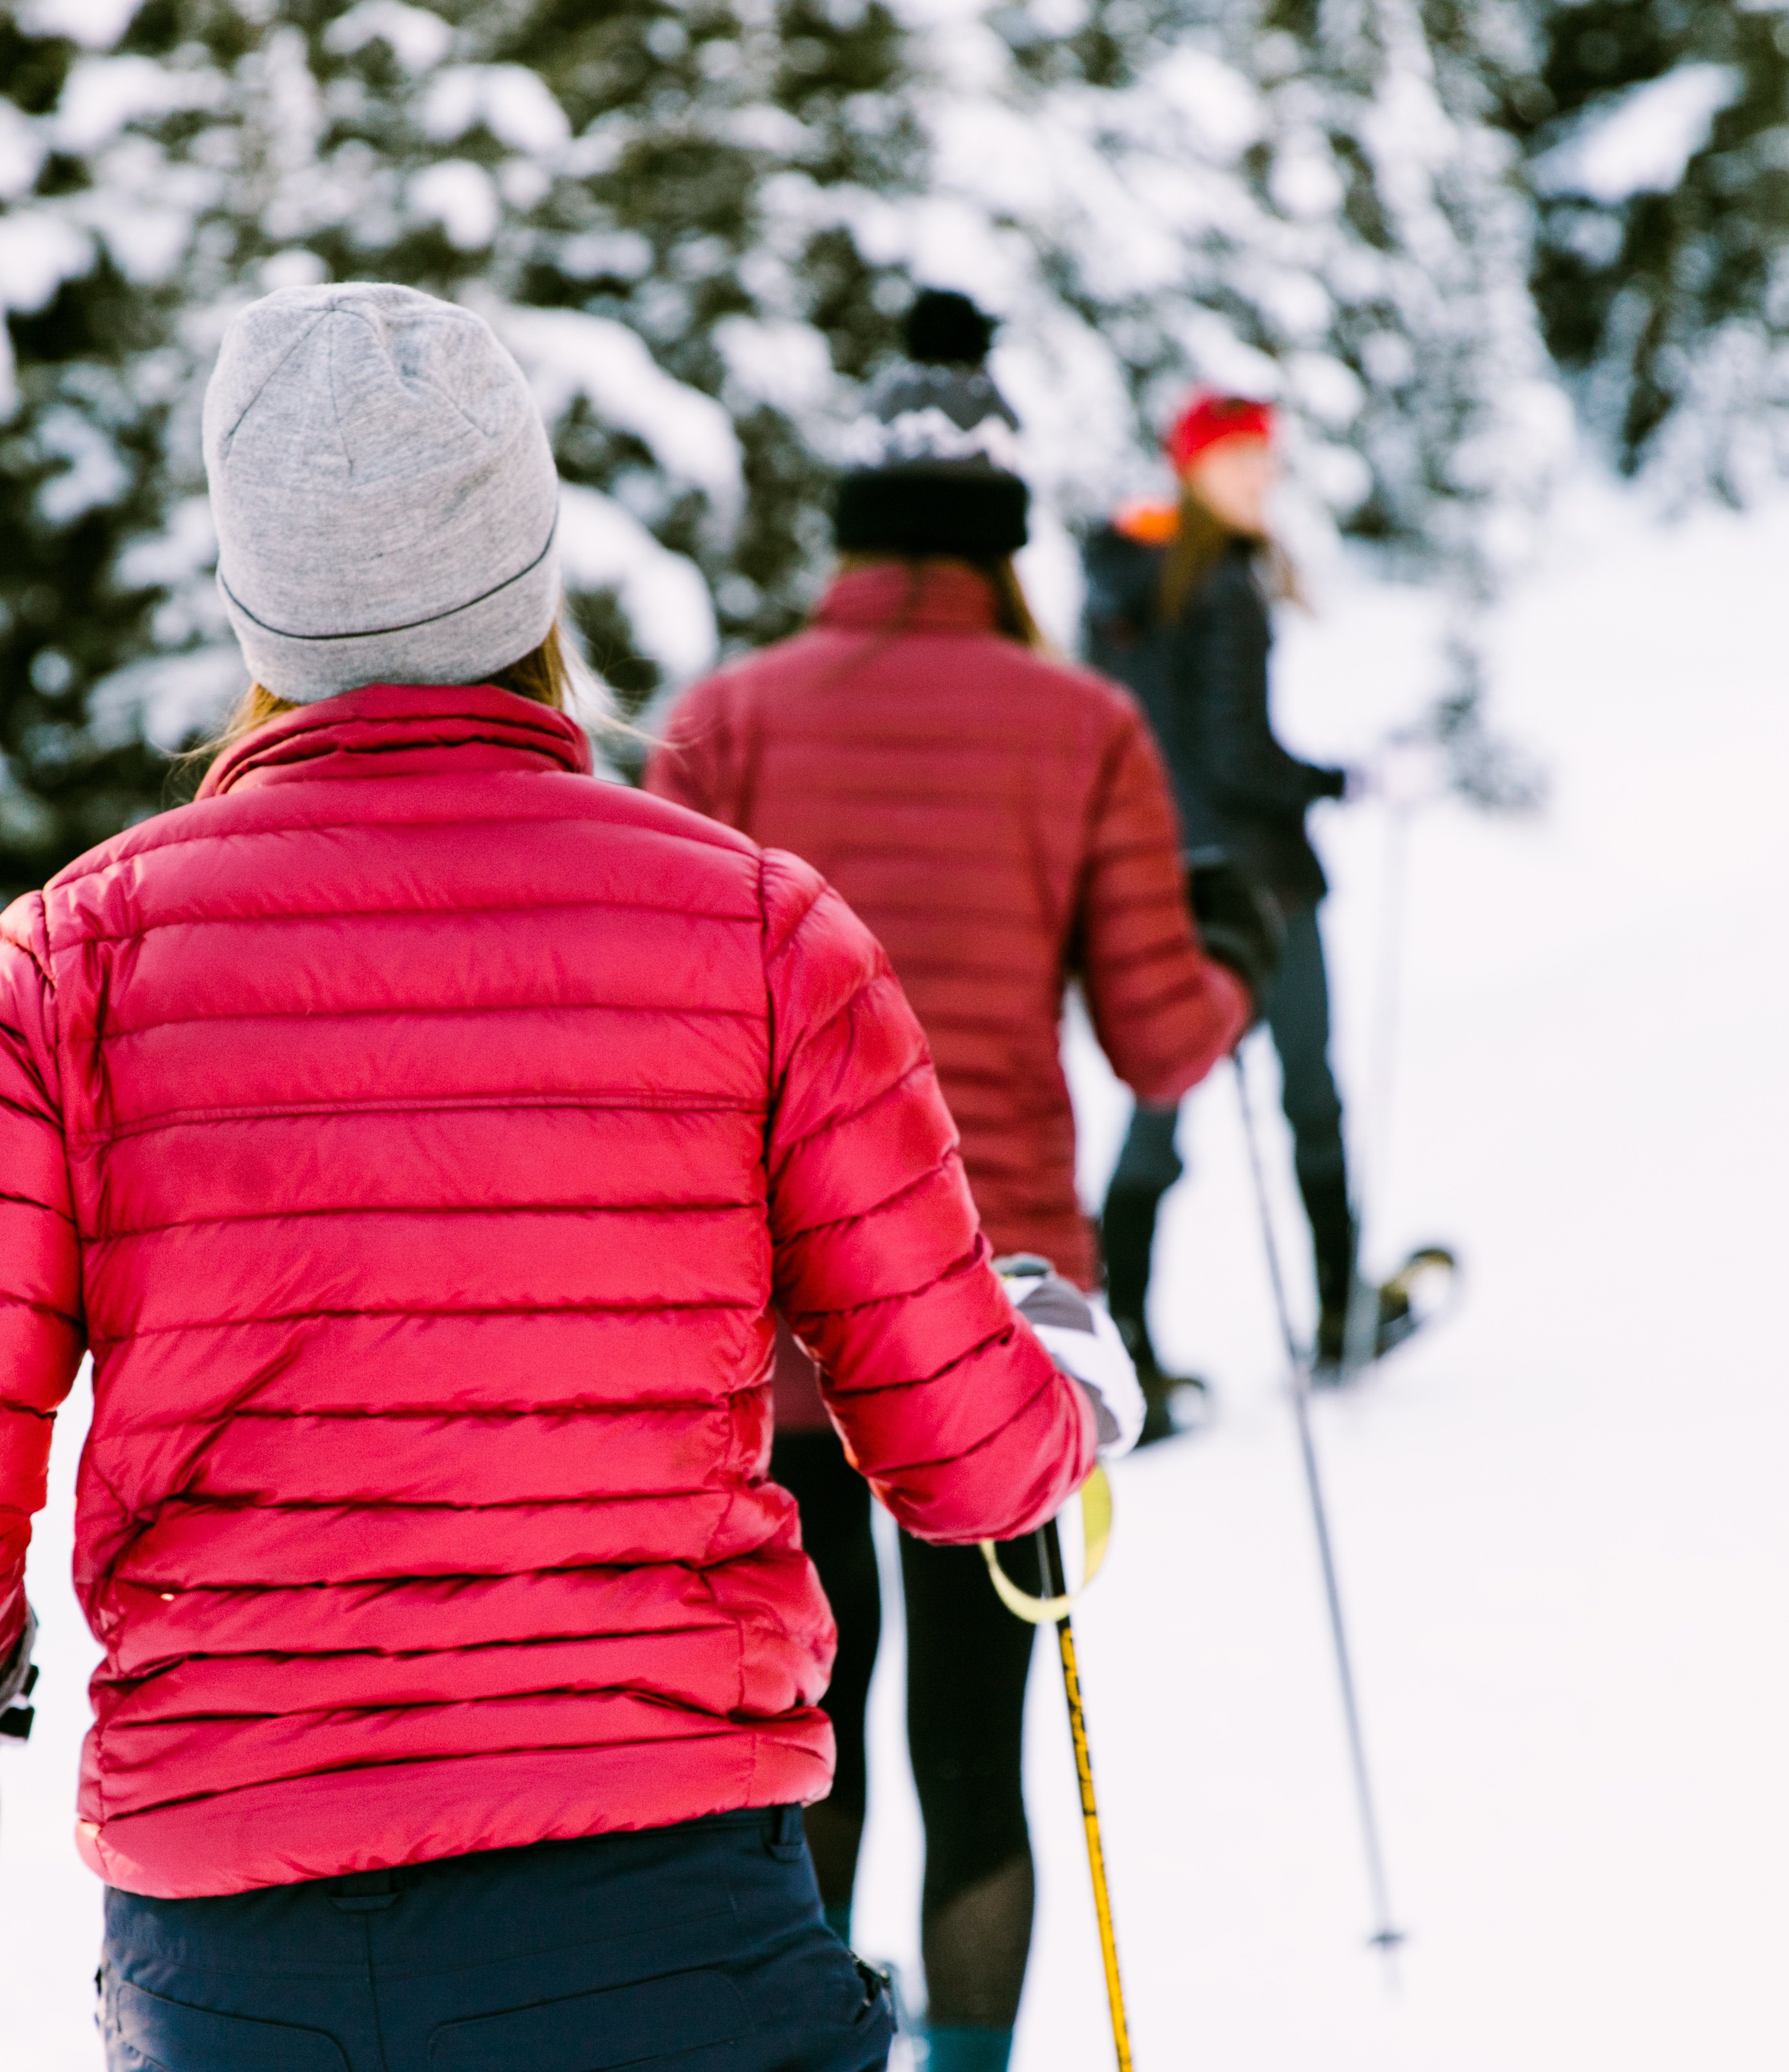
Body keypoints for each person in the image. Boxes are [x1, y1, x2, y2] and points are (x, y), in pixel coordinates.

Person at [0, 283, 1130, 2072]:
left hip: (247, 1959)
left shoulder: (73, 961)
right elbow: (967, 1451)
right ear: (533, 560)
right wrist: (1070, 1387)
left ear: (256, 593)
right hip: (672, 1925)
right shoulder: (759, 928)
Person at [647, 289, 1262, 2072]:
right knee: (978, 1755)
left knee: (801, 1733)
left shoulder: (732, 717)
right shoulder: (1082, 731)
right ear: (1002, 540)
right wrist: (1237, 937)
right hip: (998, 1325)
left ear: (852, 528)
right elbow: (1160, 1043)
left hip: (767, 1336)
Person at [1082, 394, 1365, 1393]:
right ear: (1193, 469)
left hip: (1157, 879)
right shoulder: (1221, 582)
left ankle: (1118, 1332)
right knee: (1308, 1093)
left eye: (1267, 461)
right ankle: (1342, 1311)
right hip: (1261, 883)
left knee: (1158, 1094)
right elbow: (1239, 754)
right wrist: (1338, 781)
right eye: (1240, 460)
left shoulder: (1121, 575)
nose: (1260, 478)